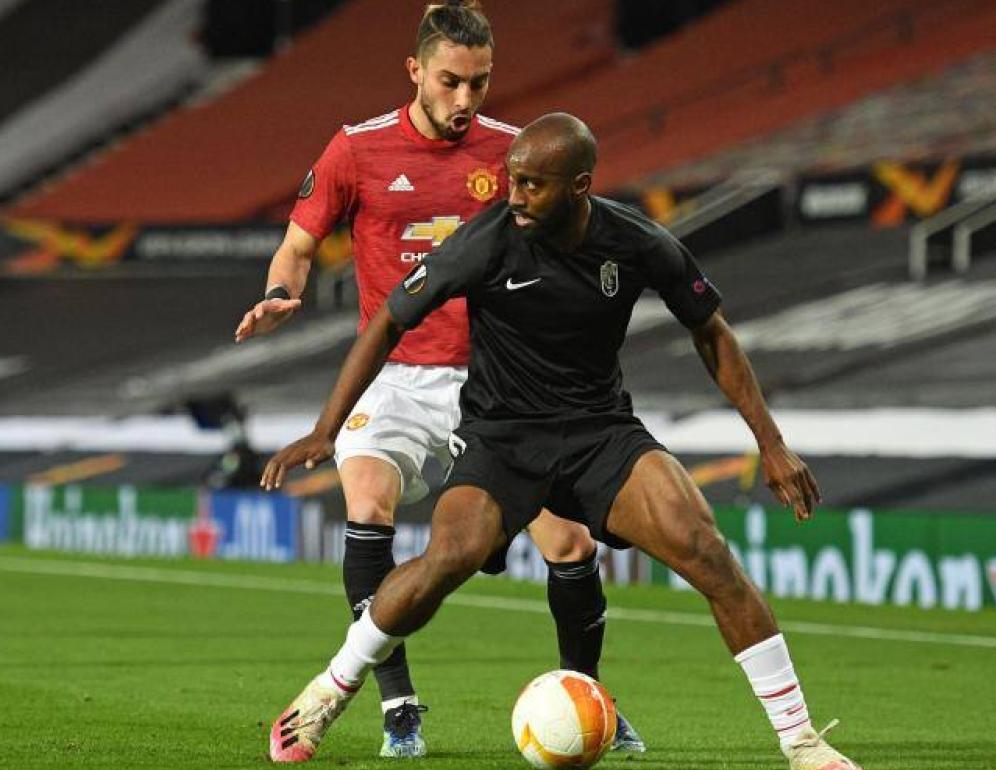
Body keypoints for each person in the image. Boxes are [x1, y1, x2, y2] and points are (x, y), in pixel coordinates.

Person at [261, 113, 862, 770]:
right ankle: (328, 691)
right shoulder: (483, 241)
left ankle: (802, 744)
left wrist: (770, 444)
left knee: (705, 550)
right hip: (502, 439)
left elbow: (712, 331)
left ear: (579, 186)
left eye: (531, 185)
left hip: (600, 434)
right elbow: (387, 324)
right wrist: (326, 429)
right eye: (512, 180)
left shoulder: (636, 241)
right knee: (448, 559)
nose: (513, 196)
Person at [234, 2, 644, 759]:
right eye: (451, 81)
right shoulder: (356, 150)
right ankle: (398, 706)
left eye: (479, 84)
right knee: (367, 501)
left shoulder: (514, 156)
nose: (465, 101)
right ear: (415, 71)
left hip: (496, 383)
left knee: (571, 543)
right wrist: (280, 290)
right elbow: (298, 244)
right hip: (392, 377)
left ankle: (587, 700)